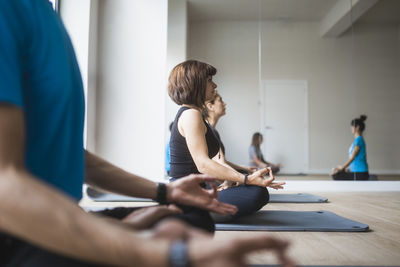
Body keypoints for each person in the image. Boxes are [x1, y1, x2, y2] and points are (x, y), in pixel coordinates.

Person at [0, 1, 295, 267]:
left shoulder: (47, 17)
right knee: (181, 229)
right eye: (210, 83)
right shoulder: (8, 12)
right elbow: (4, 187)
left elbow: (74, 157)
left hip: (59, 214)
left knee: (191, 218)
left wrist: (166, 193)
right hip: (19, 230)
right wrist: (165, 255)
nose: (216, 88)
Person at [168, 60, 285, 230]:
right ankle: (192, 212)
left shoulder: (195, 114)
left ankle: (203, 208)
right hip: (185, 194)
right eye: (209, 80)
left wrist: (237, 178)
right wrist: (246, 178)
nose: (214, 85)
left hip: (197, 190)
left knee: (256, 191)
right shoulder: (190, 115)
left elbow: (212, 163)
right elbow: (203, 164)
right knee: (256, 193)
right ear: (195, 83)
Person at [331, 115, 369, 180]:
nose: (351, 128)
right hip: (357, 172)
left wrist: (342, 168)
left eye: (352, 126)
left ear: (357, 127)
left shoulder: (359, 140)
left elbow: (352, 158)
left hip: (361, 174)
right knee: (336, 171)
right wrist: (346, 169)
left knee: (336, 175)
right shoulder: (357, 140)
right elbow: (356, 160)